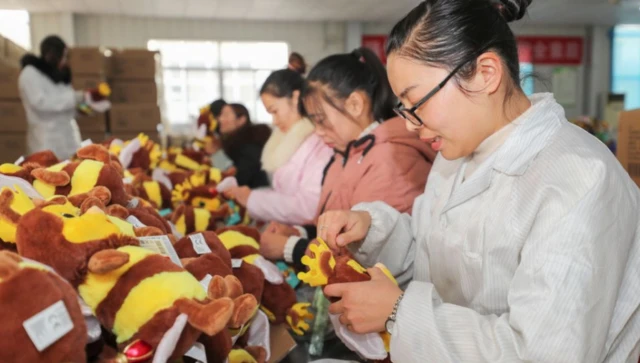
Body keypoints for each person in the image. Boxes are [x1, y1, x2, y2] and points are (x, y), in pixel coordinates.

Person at [316, 1, 640, 362]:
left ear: (486, 73)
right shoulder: (454, 155)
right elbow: (430, 255)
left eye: (416, 101)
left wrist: (399, 313)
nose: (409, 124)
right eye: (402, 107)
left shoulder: (578, 178)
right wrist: (371, 230)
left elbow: (542, 353)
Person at [260, 47, 436, 270]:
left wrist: (292, 248)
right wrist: (300, 232)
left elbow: (369, 257)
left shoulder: (390, 158)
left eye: (321, 120)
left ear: (355, 104)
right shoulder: (346, 153)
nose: (318, 131)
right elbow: (335, 222)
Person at [224, 69, 333, 225]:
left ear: (295, 98)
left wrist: (253, 198)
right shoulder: (286, 139)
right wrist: (251, 196)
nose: (274, 121)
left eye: (275, 111)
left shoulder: (320, 142)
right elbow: (282, 192)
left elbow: (309, 207)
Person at [19, 35, 99, 160]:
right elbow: (41, 104)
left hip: (70, 142)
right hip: (46, 142)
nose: (65, 61)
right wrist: (77, 96)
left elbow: (69, 110)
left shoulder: (59, 76)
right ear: (52, 55)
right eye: (63, 56)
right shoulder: (30, 74)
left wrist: (88, 108)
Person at [217, 103, 271, 188]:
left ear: (241, 120)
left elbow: (237, 180)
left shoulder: (250, 144)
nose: (220, 119)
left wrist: (216, 155)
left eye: (226, 115)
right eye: (220, 115)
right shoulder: (234, 142)